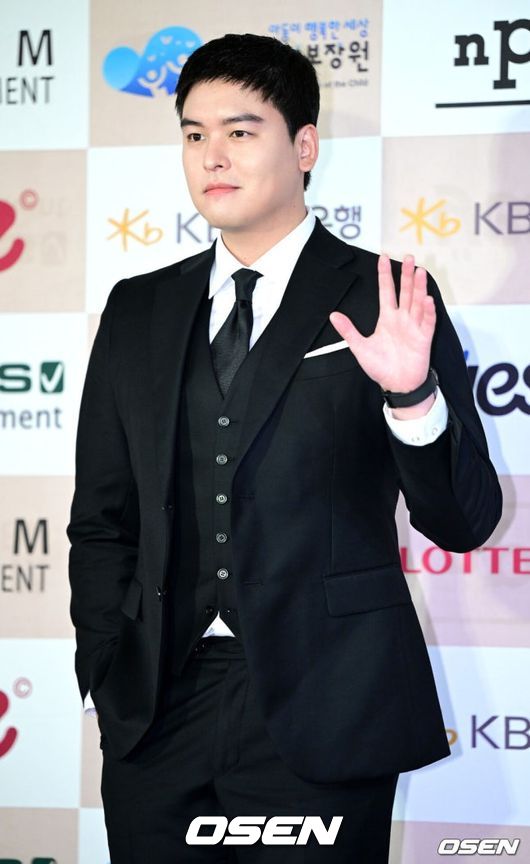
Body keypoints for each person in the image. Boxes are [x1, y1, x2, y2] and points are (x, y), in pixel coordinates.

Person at [67, 32, 502, 863]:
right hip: (158, 711)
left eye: (240, 130)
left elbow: (463, 521)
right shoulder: (137, 309)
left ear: (304, 147)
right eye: (194, 134)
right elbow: (102, 519)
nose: (212, 156)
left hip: (329, 702)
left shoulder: (384, 295)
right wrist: (106, 664)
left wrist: (411, 395)